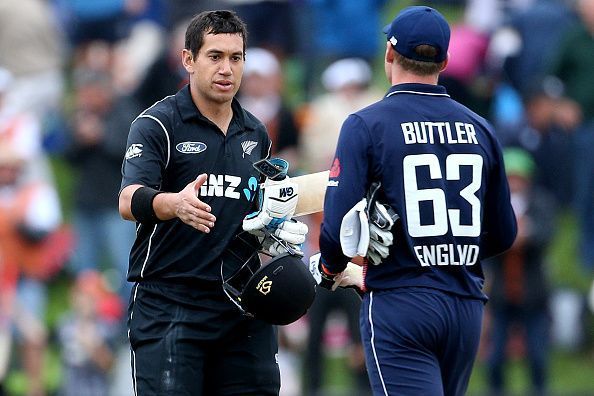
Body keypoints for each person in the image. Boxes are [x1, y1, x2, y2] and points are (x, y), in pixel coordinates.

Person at [314, 6, 517, 396]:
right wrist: (449, 253)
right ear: (444, 60)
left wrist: (331, 268)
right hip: (465, 304)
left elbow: (338, 230)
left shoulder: (366, 124)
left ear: (389, 55)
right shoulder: (481, 127)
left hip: (400, 300)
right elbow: (504, 232)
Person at [118, 10, 308, 395]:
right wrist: (174, 204)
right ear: (188, 60)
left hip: (241, 306)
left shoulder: (255, 131)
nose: (227, 69)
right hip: (169, 302)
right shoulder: (157, 124)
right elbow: (128, 199)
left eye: (235, 58)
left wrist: (274, 228)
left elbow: (257, 211)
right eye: (215, 56)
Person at [485, 147, 555, 396]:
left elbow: (545, 234)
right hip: (503, 292)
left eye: (519, 178)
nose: (515, 183)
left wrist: (527, 235)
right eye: (510, 178)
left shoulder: (541, 202)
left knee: (537, 355)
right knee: (494, 357)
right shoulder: (494, 205)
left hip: (532, 291)